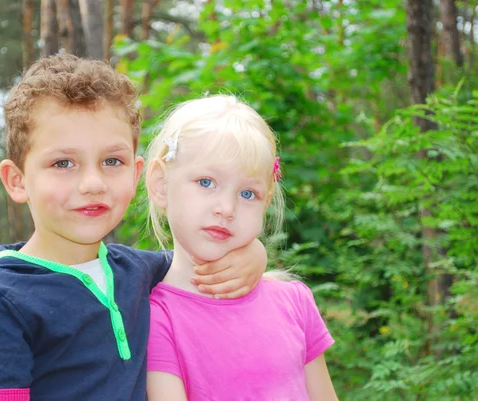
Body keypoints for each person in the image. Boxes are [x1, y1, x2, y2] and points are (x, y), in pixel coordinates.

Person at [0, 55, 269, 401]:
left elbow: (194, 259)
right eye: (63, 163)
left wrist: (254, 252)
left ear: (135, 173)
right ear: (17, 180)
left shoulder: (137, 270)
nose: (93, 183)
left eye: (112, 161)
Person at [145, 95, 339, 401]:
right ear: (160, 184)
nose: (227, 208)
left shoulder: (295, 303)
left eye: (248, 193)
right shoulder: (156, 317)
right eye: (206, 182)